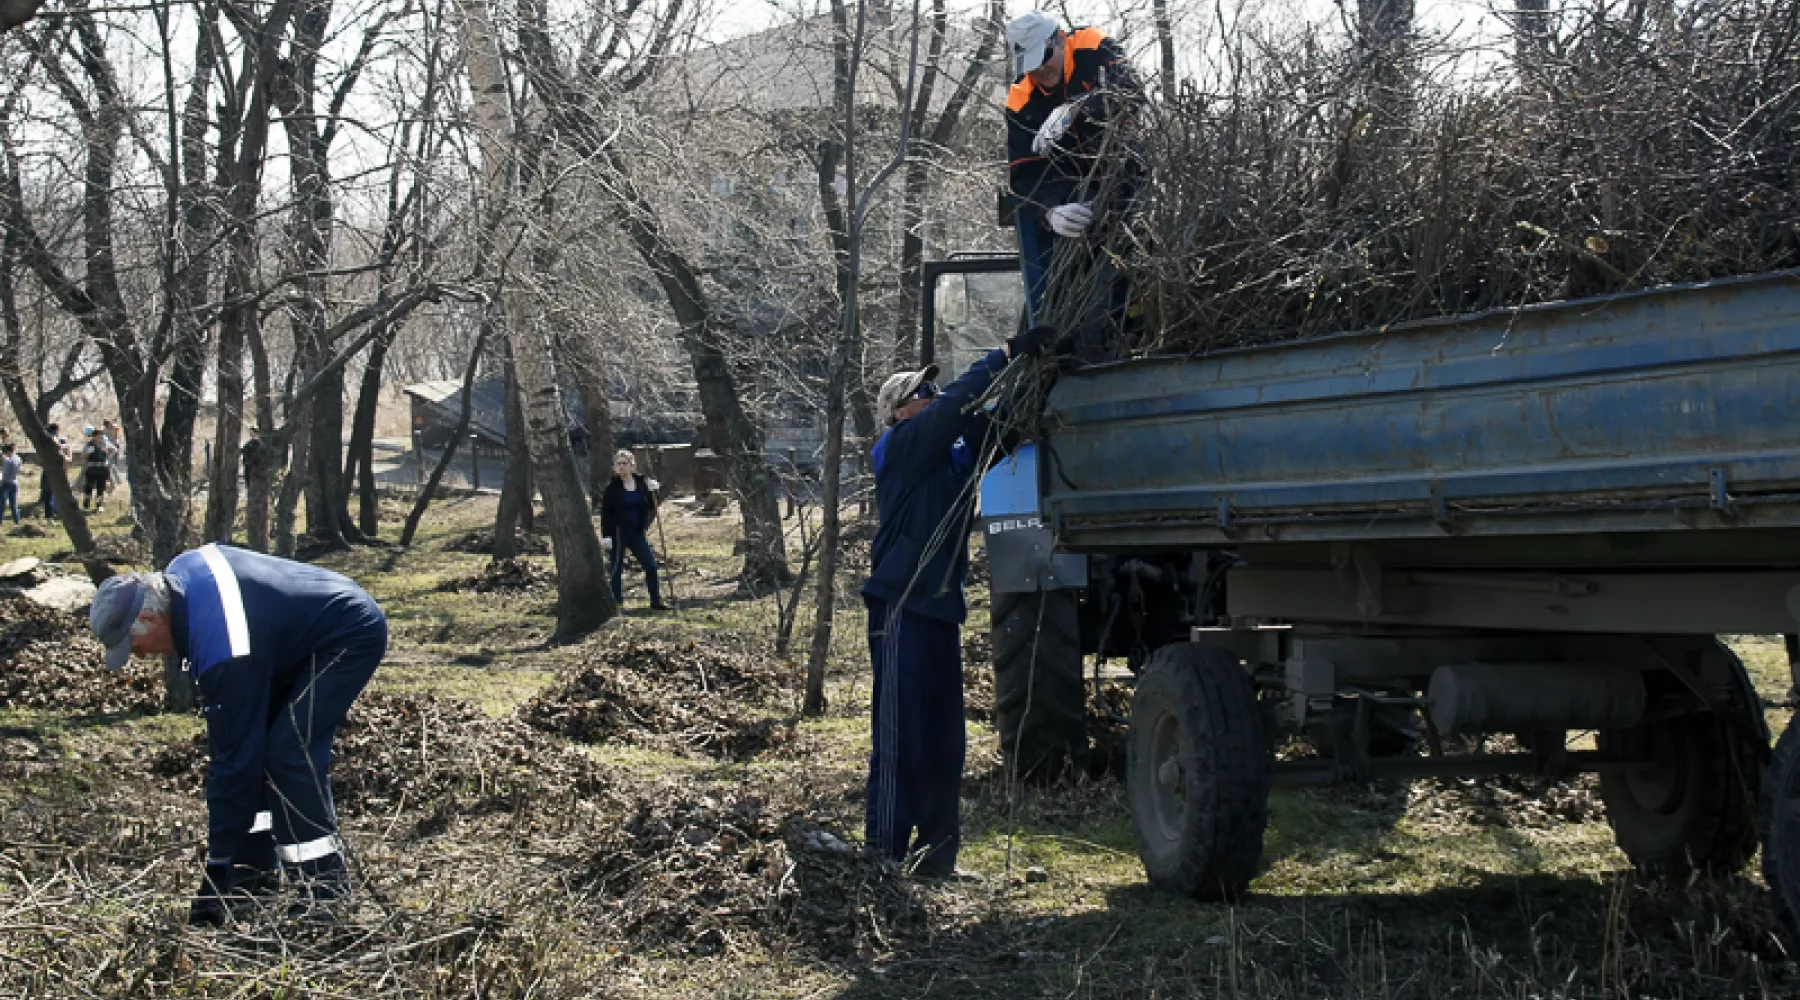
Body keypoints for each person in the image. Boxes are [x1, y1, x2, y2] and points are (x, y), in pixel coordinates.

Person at [88, 544, 389, 926]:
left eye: (134, 645)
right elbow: (236, 751)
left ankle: (324, 891)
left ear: (150, 616)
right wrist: (228, 865)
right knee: (257, 748)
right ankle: (254, 876)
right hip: (282, 644)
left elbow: (233, 758)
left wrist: (216, 868)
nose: (140, 655)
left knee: (289, 750)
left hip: (347, 633)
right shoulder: (179, 578)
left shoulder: (223, 644)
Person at [861, 323, 1065, 878]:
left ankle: (936, 862)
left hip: (939, 610)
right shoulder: (899, 448)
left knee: (945, 742)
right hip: (900, 606)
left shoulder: (944, 454)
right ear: (899, 411)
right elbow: (955, 408)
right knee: (900, 737)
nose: (930, 397)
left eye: (930, 391)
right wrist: (1002, 354)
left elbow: (988, 428)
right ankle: (883, 857)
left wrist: (1038, 377)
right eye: (919, 394)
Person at [1003, 11, 1143, 326]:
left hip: (1129, 176)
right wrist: (1051, 211)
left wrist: (1079, 107)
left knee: (1132, 268)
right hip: (1074, 195)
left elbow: (1132, 91)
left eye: (1045, 56)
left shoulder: (1093, 47)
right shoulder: (1020, 100)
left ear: (1061, 40)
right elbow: (1026, 177)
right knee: (1053, 296)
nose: (1040, 69)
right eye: (1031, 63)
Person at [600, 450, 669, 611]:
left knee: (651, 565)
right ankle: (617, 603)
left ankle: (655, 600)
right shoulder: (612, 489)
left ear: (632, 465)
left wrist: (654, 492)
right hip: (618, 532)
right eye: (619, 464)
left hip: (637, 532)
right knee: (616, 569)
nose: (622, 467)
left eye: (625, 463)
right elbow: (606, 515)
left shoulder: (642, 484)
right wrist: (606, 536)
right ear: (615, 467)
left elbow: (652, 505)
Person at [37, 423, 66, 520]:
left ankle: (50, 515)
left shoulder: (44, 441)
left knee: (49, 494)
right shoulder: (52, 439)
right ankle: (52, 514)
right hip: (53, 470)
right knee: (52, 493)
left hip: (48, 470)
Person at [80, 425, 112, 512]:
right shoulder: (89, 444)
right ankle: (86, 506)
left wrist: (107, 458)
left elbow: (113, 450)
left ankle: (99, 505)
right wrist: (88, 452)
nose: (100, 437)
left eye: (101, 435)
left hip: (102, 468)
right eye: (98, 435)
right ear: (94, 436)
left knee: (100, 488)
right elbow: (83, 456)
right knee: (89, 487)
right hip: (92, 468)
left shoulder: (104, 444)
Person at [1, 442, 20, 525]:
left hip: (6, 484)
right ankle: (17, 521)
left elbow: (5, 472)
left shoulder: (8, 460)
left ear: (9, 451)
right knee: (14, 504)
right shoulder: (18, 458)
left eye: (5, 452)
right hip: (15, 482)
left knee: (2, 504)